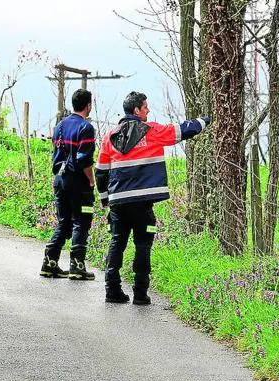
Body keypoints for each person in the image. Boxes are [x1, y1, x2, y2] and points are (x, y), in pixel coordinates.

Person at [95, 91, 210, 304]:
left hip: (118, 204)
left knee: (117, 243)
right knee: (143, 246)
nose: (148, 110)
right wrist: (205, 119)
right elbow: (184, 130)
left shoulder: (109, 136)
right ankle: (140, 294)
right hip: (143, 205)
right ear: (137, 110)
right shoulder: (152, 131)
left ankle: (112, 290)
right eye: (145, 107)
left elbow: (100, 171)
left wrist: (104, 200)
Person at [40, 89, 96, 281]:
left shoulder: (60, 125)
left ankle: (49, 263)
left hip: (60, 180)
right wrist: (91, 179)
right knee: (81, 221)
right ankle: (77, 266)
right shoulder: (86, 128)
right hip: (78, 181)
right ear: (88, 105)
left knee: (64, 222)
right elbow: (83, 159)